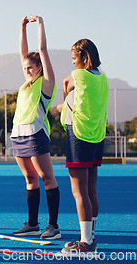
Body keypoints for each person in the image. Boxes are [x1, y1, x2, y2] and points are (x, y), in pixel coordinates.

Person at [9, 16, 61, 240]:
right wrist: (21, 27)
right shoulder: (26, 83)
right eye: (25, 68)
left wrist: (39, 24)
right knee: (30, 179)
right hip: (18, 134)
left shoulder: (46, 82)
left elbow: (42, 49)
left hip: (36, 134)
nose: (27, 70)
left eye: (31, 67)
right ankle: (32, 224)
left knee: (46, 178)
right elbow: (23, 54)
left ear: (40, 67)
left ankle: (53, 226)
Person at [60, 39, 108, 255]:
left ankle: (86, 242)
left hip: (78, 135)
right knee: (91, 190)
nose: (73, 63)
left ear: (83, 57)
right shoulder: (103, 78)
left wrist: (64, 101)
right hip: (96, 135)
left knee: (79, 191)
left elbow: (65, 83)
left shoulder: (78, 75)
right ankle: (90, 235)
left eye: (74, 59)